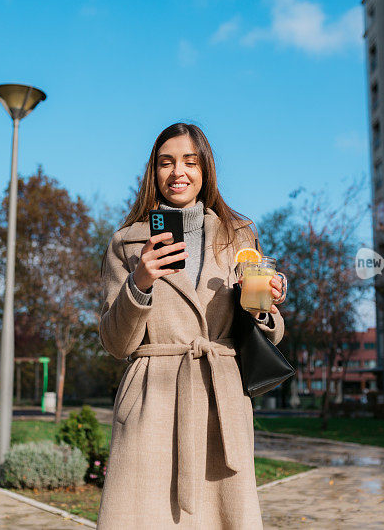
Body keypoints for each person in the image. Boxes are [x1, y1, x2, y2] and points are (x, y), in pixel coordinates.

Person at [96, 122, 285, 529]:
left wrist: (263, 301)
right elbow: (115, 342)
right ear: (154, 172)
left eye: (189, 161)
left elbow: (268, 330)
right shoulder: (127, 243)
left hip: (221, 400)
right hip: (151, 403)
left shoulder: (238, 236)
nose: (177, 172)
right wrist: (140, 282)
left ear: (205, 171)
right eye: (166, 162)